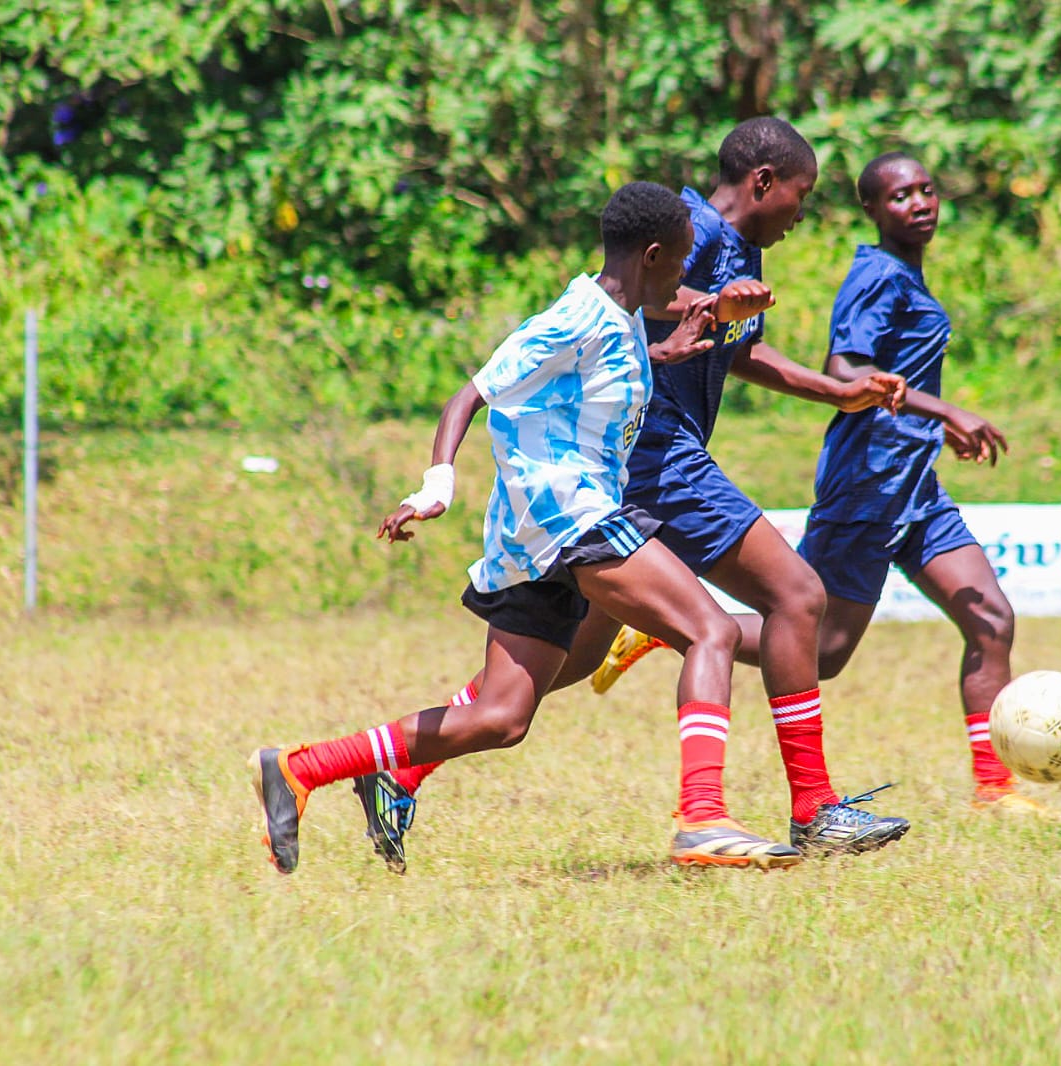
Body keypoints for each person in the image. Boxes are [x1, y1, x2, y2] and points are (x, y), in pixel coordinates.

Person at [358, 118, 914, 870]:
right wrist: (712, 300)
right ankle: (810, 808)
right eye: (800, 193)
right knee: (797, 596)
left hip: (626, 470)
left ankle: (400, 765)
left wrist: (836, 391)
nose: (801, 212)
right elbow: (645, 301)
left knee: (564, 661)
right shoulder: (700, 232)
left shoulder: (733, 245)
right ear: (762, 183)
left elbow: (737, 350)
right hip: (659, 458)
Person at [250, 182, 803, 875]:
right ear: (653, 255)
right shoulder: (574, 317)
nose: (687, 281)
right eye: (682, 262)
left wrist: (690, 335)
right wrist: (437, 485)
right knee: (710, 630)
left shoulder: (625, 314)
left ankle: (301, 767)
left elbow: (614, 366)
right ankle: (702, 816)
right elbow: (470, 395)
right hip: (570, 514)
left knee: (502, 717)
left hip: (539, 535)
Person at [598, 152, 1051, 816]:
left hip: (915, 481)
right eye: (901, 195)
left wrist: (892, 411)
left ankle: (994, 788)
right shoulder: (864, 272)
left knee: (990, 618)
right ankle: (678, 652)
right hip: (864, 478)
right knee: (819, 641)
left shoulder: (751, 252)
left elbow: (743, 351)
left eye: (927, 190)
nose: (920, 203)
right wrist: (937, 409)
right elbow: (844, 364)